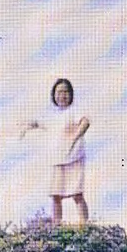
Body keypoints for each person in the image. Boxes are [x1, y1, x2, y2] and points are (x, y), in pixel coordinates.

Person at [18, 76, 92, 226]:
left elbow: (85, 122)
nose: (62, 95)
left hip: (74, 158)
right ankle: (56, 226)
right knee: (56, 195)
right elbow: (39, 123)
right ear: (54, 95)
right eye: (59, 92)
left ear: (70, 94)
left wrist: (75, 137)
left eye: (65, 92)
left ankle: (85, 226)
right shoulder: (53, 116)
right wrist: (27, 126)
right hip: (57, 160)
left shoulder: (75, 110)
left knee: (77, 194)